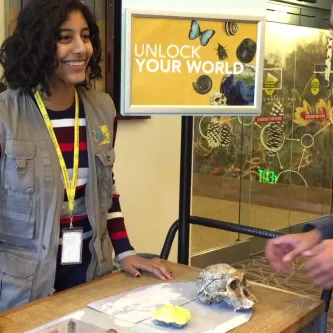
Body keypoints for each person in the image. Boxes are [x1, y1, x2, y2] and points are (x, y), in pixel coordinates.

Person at [0, 0, 172, 312]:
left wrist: (125, 252)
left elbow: (108, 190)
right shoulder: (5, 115)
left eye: (86, 36)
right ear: (38, 44)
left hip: (90, 269)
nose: (81, 48)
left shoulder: (102, 109)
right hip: (22, 282)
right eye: (65, 38)